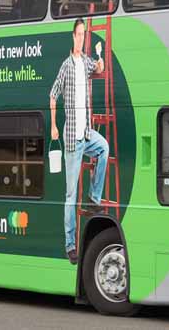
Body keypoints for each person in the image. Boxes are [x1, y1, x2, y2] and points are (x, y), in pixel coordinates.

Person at [49, 18, 108, 264]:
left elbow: (100, 69)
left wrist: (100, 57)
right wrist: (53, 126)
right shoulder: (66, 66)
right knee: (70, 195)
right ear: (73, 37)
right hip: (72, 139)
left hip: (86, 133)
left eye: (85, 34)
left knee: (103, 148)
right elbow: (52, 95)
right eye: (79, 34)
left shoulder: (85, 62)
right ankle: (70, 245)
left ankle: (94, 198)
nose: (82, 38)